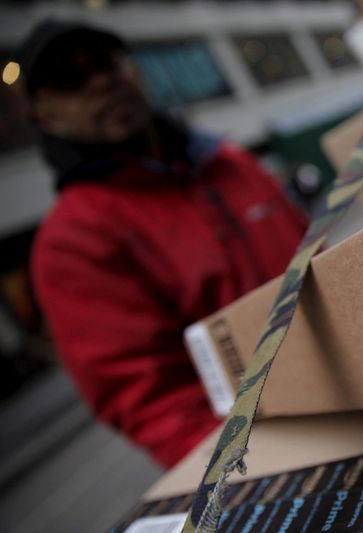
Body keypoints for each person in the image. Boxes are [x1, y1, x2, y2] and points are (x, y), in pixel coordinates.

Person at [21, 20, 309, 468]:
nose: (100, 81)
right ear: (44, 114)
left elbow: (316, 258)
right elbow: (153, 402)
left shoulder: (228, 163)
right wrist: (252, 473)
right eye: (70, 80)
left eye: (105, 63)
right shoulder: (74, 240)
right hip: (276, 451)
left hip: (362, 388)